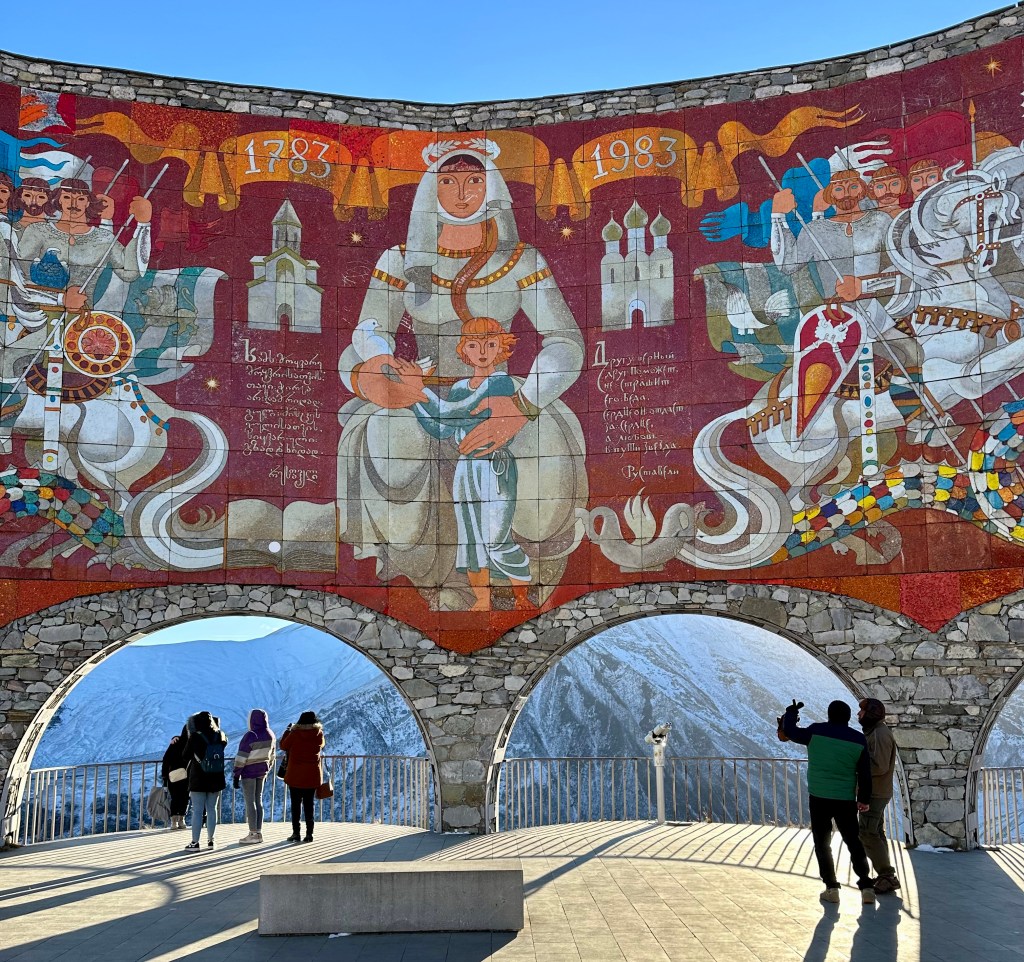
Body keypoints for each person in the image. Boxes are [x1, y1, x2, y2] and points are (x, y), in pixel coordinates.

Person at [337, 139, 587, 611]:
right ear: (429, 191)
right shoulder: (398, 260)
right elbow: (364, 335)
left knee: (539, 446)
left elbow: (565, 341)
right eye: (448, 182)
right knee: (391, 436)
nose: (462, 194)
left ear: (493, 188)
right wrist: (375, 372)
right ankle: (425, 570)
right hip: (423, 390)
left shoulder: (522, 260)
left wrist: (522, 406)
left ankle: (529, 562)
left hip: (499, 392)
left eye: (474, 180)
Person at [411, 316, 533, 611]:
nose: (482, 352)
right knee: (471, 538)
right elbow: (442, 428)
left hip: (494, 467)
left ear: (501, 348)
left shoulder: (501, 382)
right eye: (474, 345)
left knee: (496, 537)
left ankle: (522, 598)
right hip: (466, 468)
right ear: (464, 349)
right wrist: (413, 399)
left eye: (490, 345)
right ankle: (482, 599)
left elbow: (458, 413)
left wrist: (418, 389)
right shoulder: (459, 387)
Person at [782, 698, 877, 904]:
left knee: (822, 843)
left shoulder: (815, 732)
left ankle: (831, 888)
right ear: (848, 717)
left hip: (819, 797)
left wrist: (791, 713)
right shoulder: (858, 739)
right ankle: (866, 886)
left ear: (829, 715)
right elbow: (865, 773)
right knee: (853, 841)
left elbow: (790, 731)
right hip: (845, 799)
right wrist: (863, 799)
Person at [858, 697, 901, 894]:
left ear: (871, 714)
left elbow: (879, 765)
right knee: (875, 832)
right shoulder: (876, 732)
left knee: (867, 832)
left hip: (874, 792)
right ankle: (885, 875)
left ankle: (887, 875)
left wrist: (856, 767)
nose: (859, 714)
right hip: (877, 791)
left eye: (862, 711)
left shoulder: (879, 734)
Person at [183, 711, 227, 851]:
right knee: (212, 809)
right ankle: (211, 841)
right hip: (216, 777)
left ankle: (195, 843)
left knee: (197, 811)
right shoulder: (221, 735)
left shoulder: (195, 736)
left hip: (198, 778)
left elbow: (185, 755)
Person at [232, 708, 275, 845]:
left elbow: (241, 757)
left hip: (249, 772)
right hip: (262, 771)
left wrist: (236, 774)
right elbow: (272, 756)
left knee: (250, 802)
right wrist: (267, 769)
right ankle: (259, 832)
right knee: (258, 800)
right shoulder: (270, 734)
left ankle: (253, 833)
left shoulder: (251, 735)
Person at [280, 710, 324, 843]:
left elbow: (283, 745)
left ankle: (296, 833)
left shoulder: (295, 734)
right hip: (312, 776)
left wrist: (288, 731)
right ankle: (309, 834)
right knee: (309, 806)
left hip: (295, 776)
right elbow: (322, 745)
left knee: (296, 806)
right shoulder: (318, 734)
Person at [160, 732, 189, 830]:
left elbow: (166, 760)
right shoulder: (191, 743)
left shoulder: (175, 743)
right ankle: (181, 820)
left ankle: (174, 822)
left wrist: (164, 776)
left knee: (175, 798)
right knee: (185, 798)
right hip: (186, 776)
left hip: (173, 776)